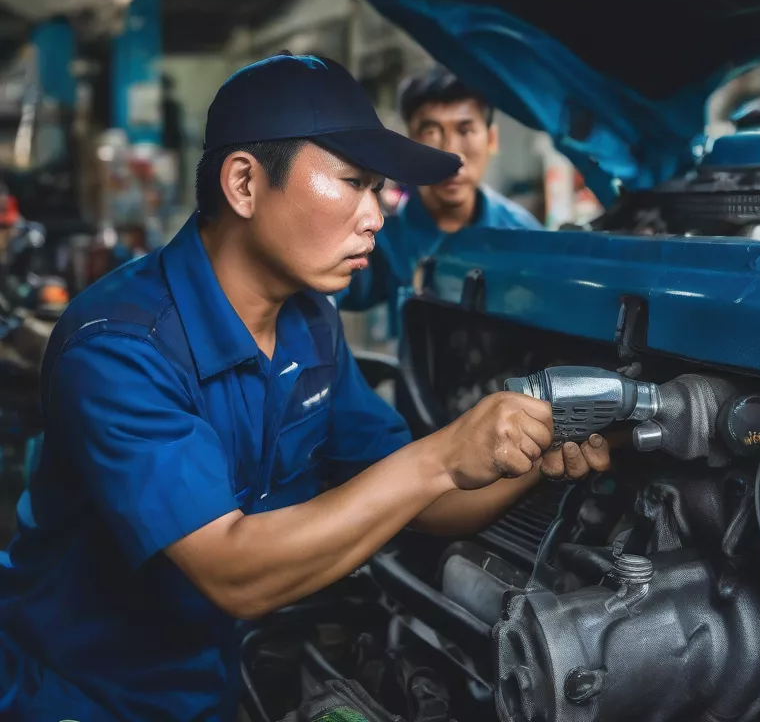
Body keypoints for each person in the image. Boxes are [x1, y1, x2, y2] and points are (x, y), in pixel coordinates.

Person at [0, 54, 609, 722]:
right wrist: (440, 454)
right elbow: (235, 571)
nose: (375, 217)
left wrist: (532, 460)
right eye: (353, 183)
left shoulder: (309, 323)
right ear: (243, 184)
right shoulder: (119, 348)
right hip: (77, 695)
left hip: (218, 683)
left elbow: (422, 500)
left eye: (378, 191)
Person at [344, 66, 541, 321]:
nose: (451, 154)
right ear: (409, 144)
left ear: (492, 140)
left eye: (465, 130)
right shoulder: (382, 239)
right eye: (431, 132)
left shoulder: (522, 234)